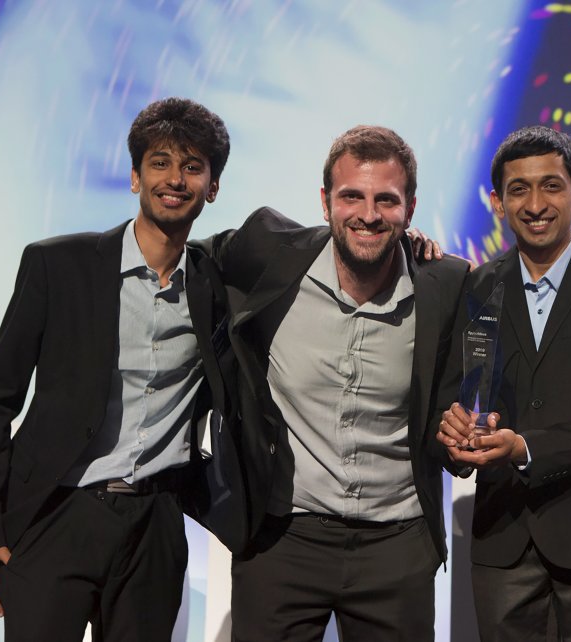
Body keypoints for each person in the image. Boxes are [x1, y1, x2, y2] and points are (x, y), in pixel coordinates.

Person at [0, 97, 233, 640]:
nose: (174, 179)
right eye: (160, 163)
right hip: (55, 515)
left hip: (155, 523)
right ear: (134, 176)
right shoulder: (57, 265)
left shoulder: (218, 283)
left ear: (212, 187)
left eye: (192, 167)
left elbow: (310, 244)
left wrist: (409, 244)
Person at [208, 125, 469, 641]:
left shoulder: (446, 283)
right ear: (325, 201)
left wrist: (462, 438)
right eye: (352, 195)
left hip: (396, 545)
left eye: (386, 200)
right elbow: (186, 260)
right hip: (283, 537)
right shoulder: (268, 254)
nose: (368, 214)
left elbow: (455, 402)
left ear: (410, 209)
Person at [435, 125, 571, 640]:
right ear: (497, 202)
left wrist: (526, 447)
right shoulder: (477, 286)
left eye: (551, 186)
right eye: (518, 189)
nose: (535, 203)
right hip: (500, 538)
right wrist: (452, 438)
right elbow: (453, 400)